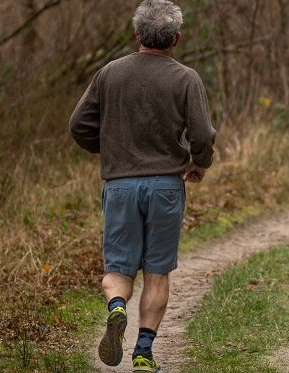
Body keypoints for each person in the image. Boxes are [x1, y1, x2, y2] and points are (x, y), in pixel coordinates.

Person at [69, 0, 216, 371]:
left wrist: (113, 151)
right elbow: (202, 135)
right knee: (157, 271)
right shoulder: (186, 78)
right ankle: (143, 352)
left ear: (137, 34)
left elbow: (78, 126)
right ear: (176, 39)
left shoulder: (109, 74)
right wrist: (199, 163)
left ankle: (117, 307)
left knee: (118, 268)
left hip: (120, 185)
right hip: (167, 186)